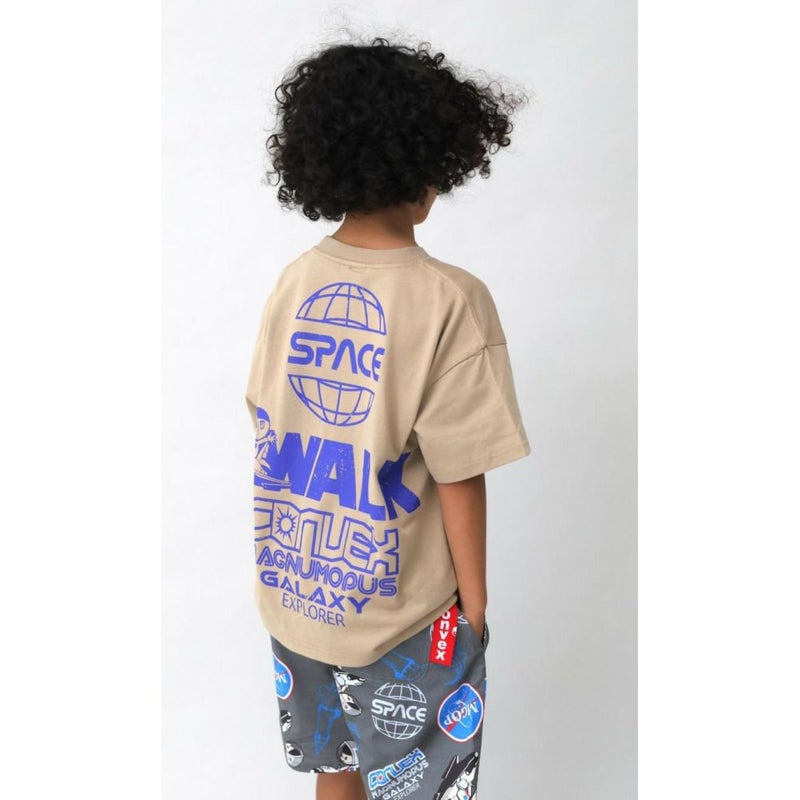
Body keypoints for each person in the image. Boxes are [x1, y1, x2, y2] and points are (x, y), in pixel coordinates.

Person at [245, 36, 531, 800]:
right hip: (404, 618)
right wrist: (474, 606)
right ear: (430, 163)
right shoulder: (449, 299)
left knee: (336, 768)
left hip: (299, 598)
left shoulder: (295, 281)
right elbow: (459, 469)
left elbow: (268, 421)